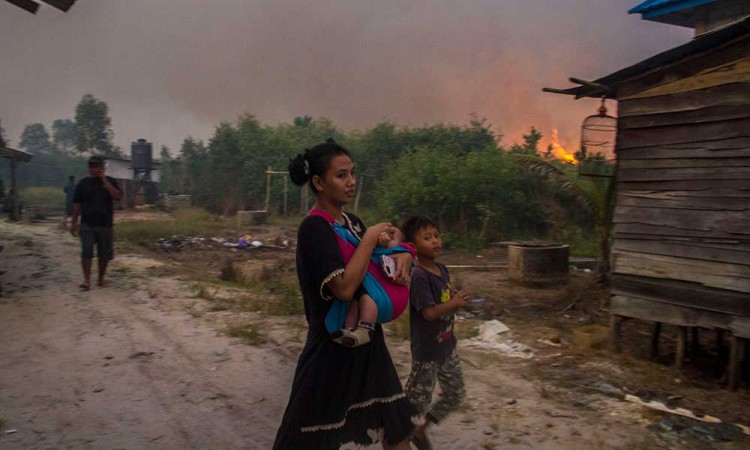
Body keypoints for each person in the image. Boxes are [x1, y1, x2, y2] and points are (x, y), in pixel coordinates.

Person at [273, 139, 415, 450]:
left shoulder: (352, 224)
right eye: (341, 175)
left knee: (396, 427)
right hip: (332, 347)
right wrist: (368, 239)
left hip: (368, 344)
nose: (351, 182)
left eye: (352, 173)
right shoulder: (314, 229)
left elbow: (377, 264)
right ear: (318, 183)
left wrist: (403, 255)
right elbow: (344, 287)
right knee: (305, 438)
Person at [402, 216, 469, 450]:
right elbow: (429, 313)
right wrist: (454, 305)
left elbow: (443, 299)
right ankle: (396, 435)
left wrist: (454, 299)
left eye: (436, 236)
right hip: (428, 352)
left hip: (447, 347)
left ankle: (421, 431)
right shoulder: (419, 275)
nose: (435, 241)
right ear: (414, 245)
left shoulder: (441, 269)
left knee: (455, 393)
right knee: (414, 404)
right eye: (427, 237)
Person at [308, 208, 415, 348]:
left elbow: (410, 250)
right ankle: (349, 331)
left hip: (378, 294)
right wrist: (373, 239)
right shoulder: (314, 225)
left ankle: (365, 329)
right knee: (355, 304)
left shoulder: (353, 221)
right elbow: (345, 289)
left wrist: (406, 252)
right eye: (387, 233)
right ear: (319, 184)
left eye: (393, 237)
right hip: (359, 290)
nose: (387, 237)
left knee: (366, 300)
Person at [70, 156, 122, 291]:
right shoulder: (83, 183)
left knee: (104, 254)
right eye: (91, 166)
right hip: (87, 224)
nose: (93, 169)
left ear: (102, 168)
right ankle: (87, 280)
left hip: (105, 224)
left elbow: (117, 197)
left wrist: (105, 183)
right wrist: (74, 222)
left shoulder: (111, 181)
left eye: (96, 166)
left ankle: (101, 279)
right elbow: (76, 204)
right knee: (86, 252)